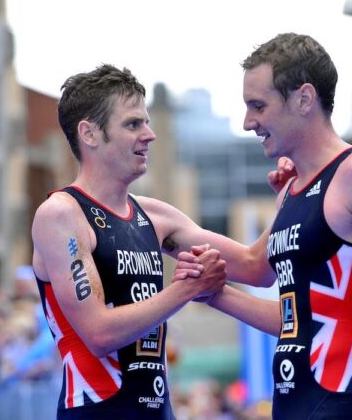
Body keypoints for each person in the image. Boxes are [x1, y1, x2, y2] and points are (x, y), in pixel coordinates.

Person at [179, 33, 352, 420]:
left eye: (258, 106)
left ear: (303, 99)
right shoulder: (290, 191)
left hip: (350, 403)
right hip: (294, 404)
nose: (248, 122)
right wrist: (210, 291)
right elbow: (295, 312)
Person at [31, 64, 272, 419]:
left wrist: (291, 194)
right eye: (133, 124)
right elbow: (98, 333)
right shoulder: (61, 215)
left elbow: (256, 268)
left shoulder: (155, 217)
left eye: (146, 121)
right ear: (90, 133)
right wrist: (186, 290)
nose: (150, 134)